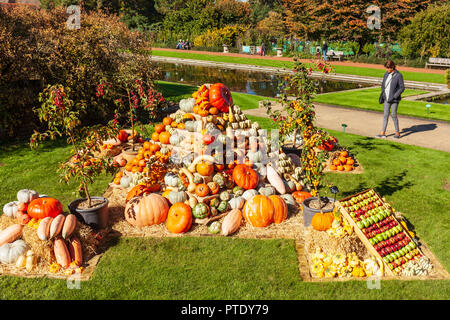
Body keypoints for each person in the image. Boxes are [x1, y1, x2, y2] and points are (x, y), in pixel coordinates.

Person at [377, 60, 405, 139]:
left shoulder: (398, 75)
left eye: (388, 68)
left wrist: (395, 96)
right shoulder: (386, 74)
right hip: (386, 99)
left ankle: (397, 133)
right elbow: (383, 85)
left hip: (394, 100)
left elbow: (402, 87)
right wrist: (384, 95)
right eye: (386, 68)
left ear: (392, 67)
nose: (386, 70)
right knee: (385, 115)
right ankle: (382, 133)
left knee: (393, 115)